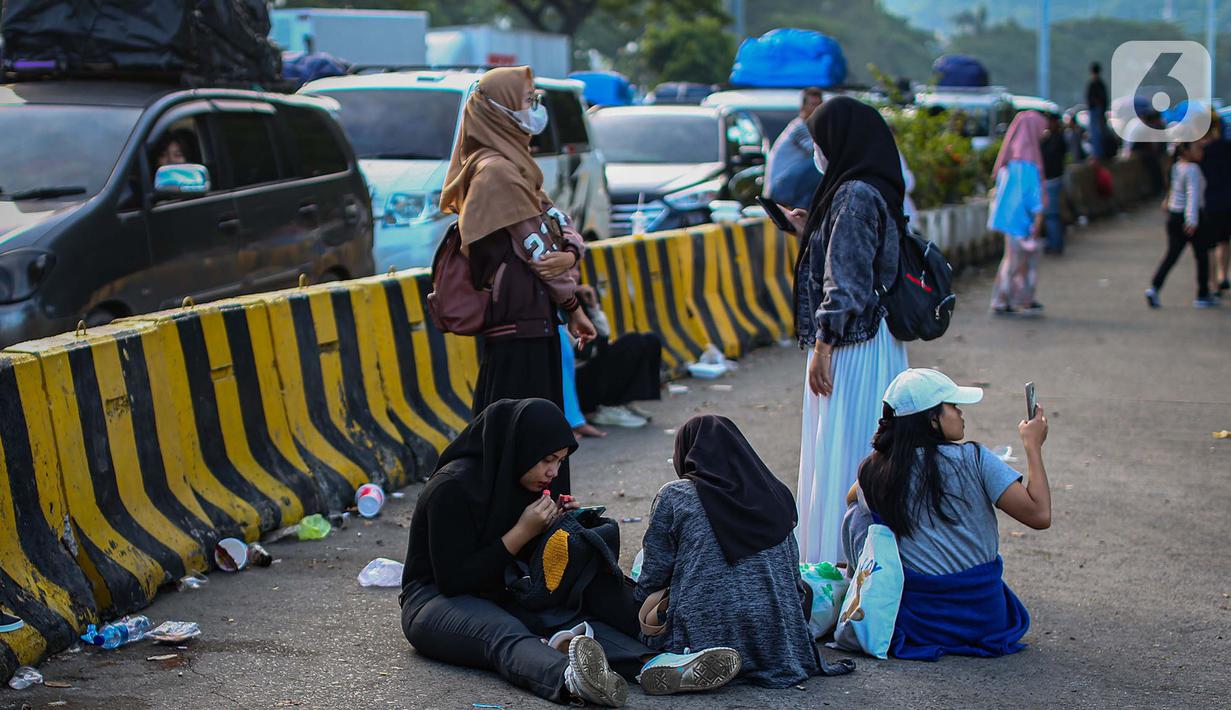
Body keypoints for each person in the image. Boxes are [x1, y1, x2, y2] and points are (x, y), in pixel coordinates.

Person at [400, 399, 739, 707]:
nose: (553, 472)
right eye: (547, 460)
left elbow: (524, 558)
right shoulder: (452, 488)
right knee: (501, 632)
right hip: (435, 601)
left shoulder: (522, 481)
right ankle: (569, 678)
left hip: (505, 588)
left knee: (577, 606)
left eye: (560, 461)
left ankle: (659, 663)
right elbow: (454, 580)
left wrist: (559, 525)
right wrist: (522, 532)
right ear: (519, 448)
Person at [841, 368, 1051, 660]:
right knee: (860, 513)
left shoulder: (875, 470)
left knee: (857, 514)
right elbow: (1039, 515)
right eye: (952, 406)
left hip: (919, 624)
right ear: (932, 419)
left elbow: (852, 498)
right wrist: (1033, 446)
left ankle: (863, 593)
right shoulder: (975, 458)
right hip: (984, 621)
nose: (961, 412)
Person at [781, 96, 910, 565]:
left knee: (844, 446)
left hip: (851, 346)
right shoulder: (875, 187)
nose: (818, 153)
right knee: (862, 444)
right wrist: (808, 231)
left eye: (819, 143)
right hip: (875, 342)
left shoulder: (853, 195)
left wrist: (823, 345)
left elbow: (847, 283)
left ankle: (837, 559)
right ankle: (863, 561)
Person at [439, 66, 598, 434]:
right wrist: (573, 307)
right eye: (528, 101)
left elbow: (560, 223)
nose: (535, 109)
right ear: (499, 110)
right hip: (519, 327)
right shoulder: (498, 174)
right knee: (527, 437)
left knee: (524, 434)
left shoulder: (514, 167)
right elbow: (542, 252)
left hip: (529, 322)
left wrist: (572, 251)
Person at [635, 415, 819, 688]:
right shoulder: (776, 493)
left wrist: (637, 603)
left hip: (701, 634)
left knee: (629, 603)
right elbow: (794, 582)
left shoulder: (676, 495)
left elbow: (653, 574)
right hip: (776, 640)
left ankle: (682, 659)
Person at [574, 286, 662, 430]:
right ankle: (603, 407)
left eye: (576, 270)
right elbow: (581, 351)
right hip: (576, 378)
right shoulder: (558, 303)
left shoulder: (576, 300)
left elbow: (603, 335)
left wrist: (593, 308)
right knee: (633, 341)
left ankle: (622, 401)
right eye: (570, 270)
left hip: (589, 366)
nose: (573, 275)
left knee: (651, 340)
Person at [988, 111, 1049, 316]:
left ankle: (1008, 299)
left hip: (1007, 220)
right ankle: (1009, 300)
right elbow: (1035, 199)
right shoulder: (1029, 165)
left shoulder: (1010, 162)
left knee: (1011, 261)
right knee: (1019, 263)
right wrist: (1036, 225)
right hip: (1022, 223)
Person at [1146, 140, 1218, 308]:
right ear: (1186, 151)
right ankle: (1202, 294)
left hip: (1174, 216)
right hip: (1190, 218)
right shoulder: (1193, 169)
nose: (1201, 151)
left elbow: (1174, 192)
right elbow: (1192, 196)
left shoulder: (1176, 166)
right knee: (1202, 256)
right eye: (1197, 148)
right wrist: (1192, 221)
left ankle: (1154, 287)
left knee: (1172, 255)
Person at [764, 87, 824, 209]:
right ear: (803, 107)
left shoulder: (804, 126)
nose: (816, 109)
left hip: (787, 185)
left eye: (819, 105)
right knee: (820, 163)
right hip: (780, 187)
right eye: (813, 105)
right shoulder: (801, 127)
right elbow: (817, 151)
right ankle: (804, 206)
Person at [1199, 113, 1231, 296]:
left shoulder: (1201, 151)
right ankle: (1223, 275)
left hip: (1209, 201)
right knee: (1224, 240)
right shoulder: (1227, 147)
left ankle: (1213, 284)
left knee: (1209, 244)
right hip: (1228, 200)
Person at [1040, 112, 1068, 254]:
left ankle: (1055, 244)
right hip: (1053, 179)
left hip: (1052, 179)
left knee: (1051, 215)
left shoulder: (1056, 139)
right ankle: (1055, 242)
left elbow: (1048, 157)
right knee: (1053, 215)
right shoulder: (1056, 138)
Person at [1086, 62, 1109, 160]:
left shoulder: (1093, 84)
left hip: (1096, 111)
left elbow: (1090, 98)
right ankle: (1099, 153)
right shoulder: (1101, 84)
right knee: (1098, 133)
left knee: (1096, 133)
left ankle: (1097, 154)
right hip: (1100, 111)